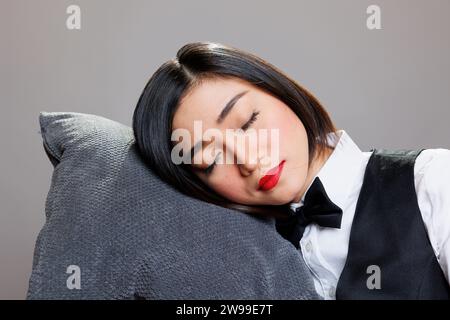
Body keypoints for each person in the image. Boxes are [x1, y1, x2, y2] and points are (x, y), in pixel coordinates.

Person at [132, 41, 450, 299]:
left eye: (247, 121)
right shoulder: (237, 259)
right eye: (211, 160)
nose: (247, 159)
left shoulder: (432, 179)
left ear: (281, 93)